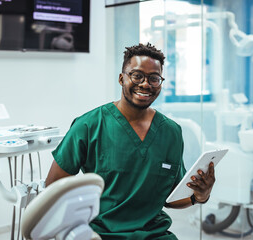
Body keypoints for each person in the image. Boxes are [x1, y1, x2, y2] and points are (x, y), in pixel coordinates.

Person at [46, 43, 215, 240]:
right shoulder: (88, 126)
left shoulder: (171, 132)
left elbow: (172, 198)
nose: (145, 84)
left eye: (154, 78)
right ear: (121, 78)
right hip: (101, 234)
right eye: (137, 76)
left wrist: (200, 196)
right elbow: (53, 188)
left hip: (155, 235)